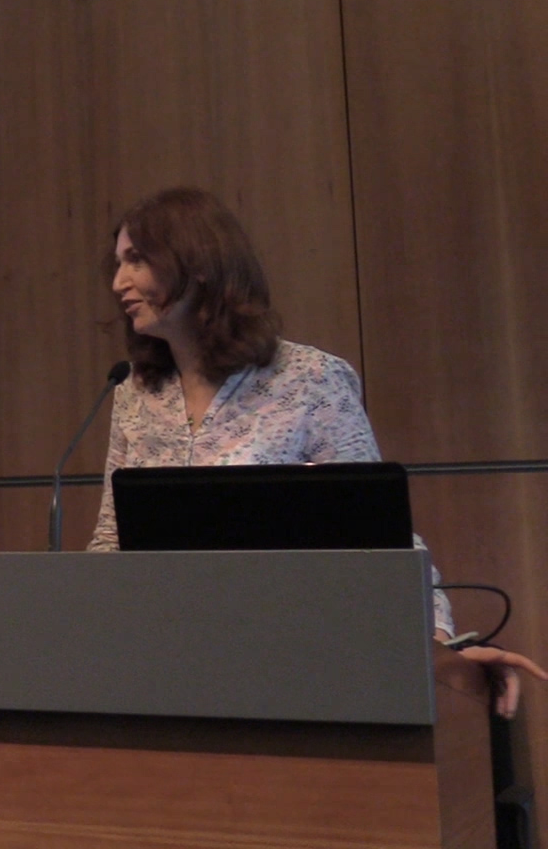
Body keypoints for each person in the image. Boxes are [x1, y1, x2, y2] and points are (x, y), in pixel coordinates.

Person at [89, 187, 545, 717]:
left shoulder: (308, 379)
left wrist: (439, 646)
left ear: (199, 266)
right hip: (165, 665)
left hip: (295, 664)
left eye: (136, 260)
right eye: (117, 264)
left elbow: (381, 534)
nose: (119, 283)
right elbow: (111, 540)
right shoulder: (133, 392)